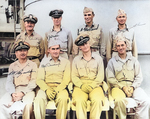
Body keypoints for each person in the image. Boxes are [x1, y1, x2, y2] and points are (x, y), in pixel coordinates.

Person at [106, 35, 150, 119]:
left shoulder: (134, 60)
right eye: (118, 46)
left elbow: (139, 77)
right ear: (115, 48)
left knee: (145, 100)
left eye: (122, 45)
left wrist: (132, 87)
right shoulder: (112, 62)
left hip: (133, 87)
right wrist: (123, 87)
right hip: (118, 87)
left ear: (126, 46)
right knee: (119, 101)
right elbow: (110, 78)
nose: (120, 47)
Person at [72, 33, 106, 119]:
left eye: (86, 43)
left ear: (89, 43)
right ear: (80, 47)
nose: (85, 46)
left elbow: (100, 75)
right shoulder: (76, 60)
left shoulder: (98, 59)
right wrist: (81, 85)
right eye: (82, 45)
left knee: (97, 100)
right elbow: (74, 76)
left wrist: (93, 85)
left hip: (95, 85)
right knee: (79, 101)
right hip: (80, 86)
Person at [34, 40, 70, 119]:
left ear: (60, 50)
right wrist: (47, 89)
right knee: (39, 99)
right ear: (48, 50)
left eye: (57, 49)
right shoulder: (44, 62)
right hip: (46, 88)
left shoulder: (66, 62)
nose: (55, 51)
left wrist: (57, 90)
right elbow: (39, 79)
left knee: (63, 98)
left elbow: (66, 79)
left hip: (60, 88)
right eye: (53, 49)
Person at [0, 41, 37, 119]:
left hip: (28, 91)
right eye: (20, 51)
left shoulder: (33, 65)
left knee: (28, 105)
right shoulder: (12, 66)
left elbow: (34, 81)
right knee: (2, 104)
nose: (22, 52)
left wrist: (22, 93)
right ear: (16, 53)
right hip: (14, 90)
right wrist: (12, 93)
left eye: (24, 50)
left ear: (27, 52)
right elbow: (9, 82)